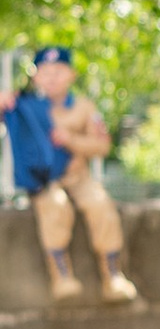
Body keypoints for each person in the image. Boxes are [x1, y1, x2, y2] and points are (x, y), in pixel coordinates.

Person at [10, 48, 140, 304]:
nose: (51, 78)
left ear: (71, 75)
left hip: (77, 176)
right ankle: (61, 275)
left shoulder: (83, 108)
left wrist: (72, 141)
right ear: (35, 77)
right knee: (54, 207)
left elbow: (102, 146)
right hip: (44, 181)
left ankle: (112, 274)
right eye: (45, 72)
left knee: (101, 206)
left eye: (58, 71)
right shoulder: (26, 107)